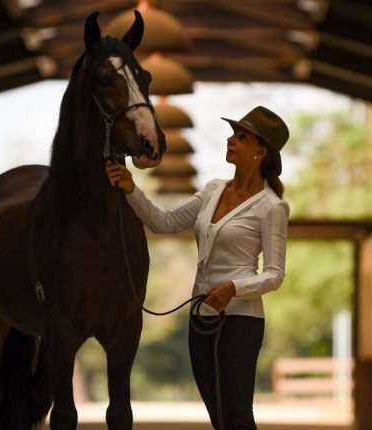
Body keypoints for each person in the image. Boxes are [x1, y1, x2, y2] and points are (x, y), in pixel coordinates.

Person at [105, 105, 289, 429]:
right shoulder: (214, 189)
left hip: (240, 322)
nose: (230, 140)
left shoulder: (272, 207)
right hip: (200, 317)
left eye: (241, 137)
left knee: (237, 416)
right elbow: (165, 222)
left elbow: (275, 275)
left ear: (261, 151)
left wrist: (234, 288)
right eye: (232, 134)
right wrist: (131, 188)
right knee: (218, 416)